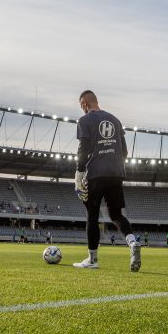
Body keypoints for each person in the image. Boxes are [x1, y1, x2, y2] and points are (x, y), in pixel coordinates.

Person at [72, 90, 140, 271]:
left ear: (85, 103)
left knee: (92, 216)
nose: (82, 108)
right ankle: (132, 242)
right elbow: (124, 152)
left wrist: (79, 173)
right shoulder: (115, 120)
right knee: (116, 215)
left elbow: (83, 148)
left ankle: (92, 259)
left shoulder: (85, 121)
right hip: (116, 173)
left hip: (95, 174)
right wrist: (113, 163)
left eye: (81, 105)